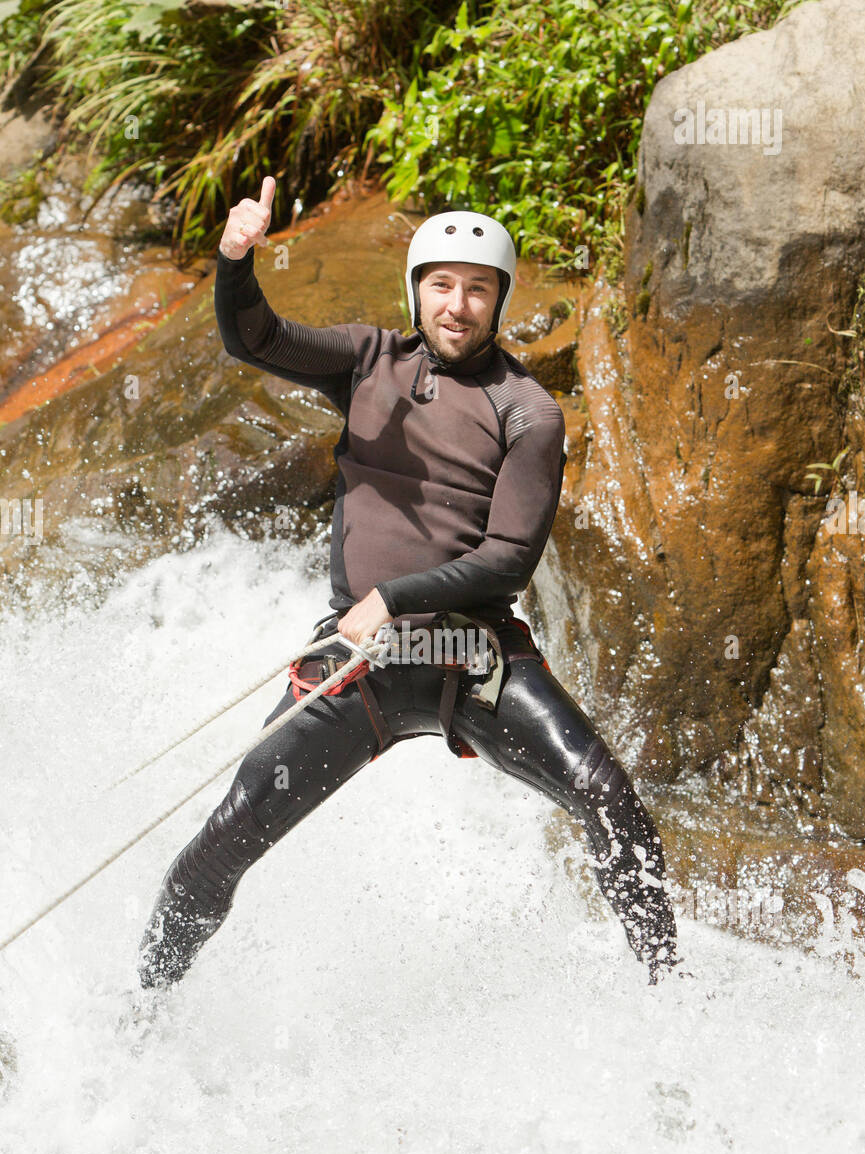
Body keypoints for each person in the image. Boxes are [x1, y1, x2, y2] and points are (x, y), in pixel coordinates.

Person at [137, 176, 680, 993]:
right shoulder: (367, 361)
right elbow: (256, 339)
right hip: (357, 664)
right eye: (441, 285)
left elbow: (508, 558)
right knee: (221, 843)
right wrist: (236, 259)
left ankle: (673, 1002)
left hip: (472, 653)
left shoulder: (528, 410)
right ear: (416, 290)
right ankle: (138, 1017)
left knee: (607, 797)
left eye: (477, 290)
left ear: (498, 301)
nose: (457, 305)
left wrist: (392, 598)